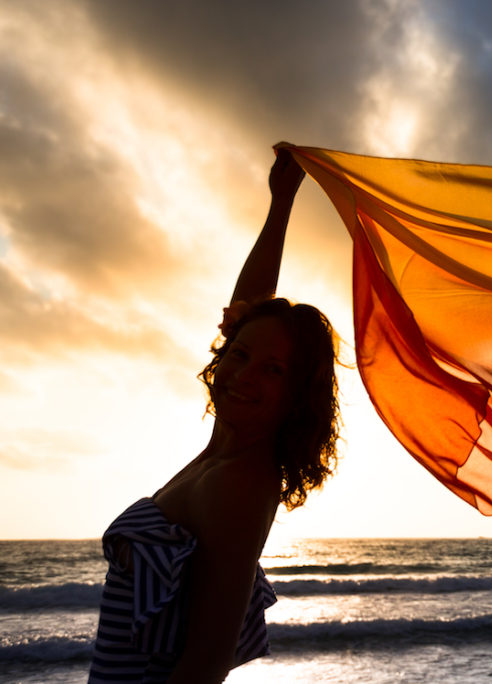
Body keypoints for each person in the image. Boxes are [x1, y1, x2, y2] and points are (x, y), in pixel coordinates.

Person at [89, 150, 340, 683]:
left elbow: (204, 666)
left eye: (273, 370)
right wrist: (281, 204)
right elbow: (249, 307)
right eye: (241, 355)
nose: (245, 375)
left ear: (297, 395)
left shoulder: (240, 483)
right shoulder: (221, 453)